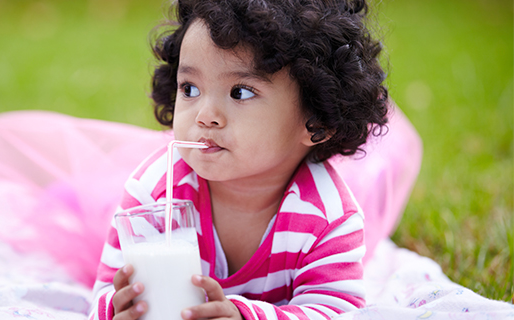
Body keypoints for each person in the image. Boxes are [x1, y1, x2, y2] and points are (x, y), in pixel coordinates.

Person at [88, 0, 423, 319]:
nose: (205, 116)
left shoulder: (327, 218)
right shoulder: (153, 195)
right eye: (190, 88)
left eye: (240, 92)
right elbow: (104, 294)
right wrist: (117, 310)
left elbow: (334, 311)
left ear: (316, 121)